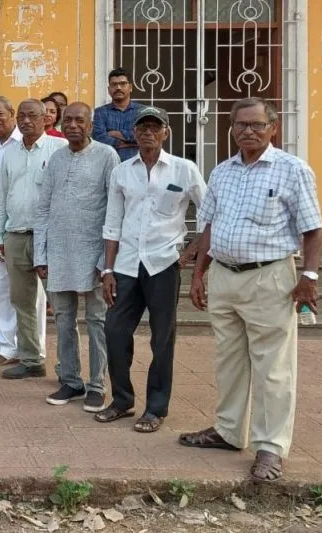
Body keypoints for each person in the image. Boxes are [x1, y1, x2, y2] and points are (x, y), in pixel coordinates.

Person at [180, 98, 322, 483]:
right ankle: (229, 431)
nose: (248, 131)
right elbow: (210, 226)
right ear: (232, 129)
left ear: (272, 128)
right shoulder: (222, 172)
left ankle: (270, 446)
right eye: (241, 125)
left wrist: (309, 277)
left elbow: (313, 229)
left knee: (273, 367)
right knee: (228, 359)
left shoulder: (293, 170)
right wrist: (199, 274)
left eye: (257, 125)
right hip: (224, 276)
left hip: (270, 277)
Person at [96, 106, 206, 433]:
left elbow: (210, 212)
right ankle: (122, 400)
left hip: (163, 263)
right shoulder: (122, 171)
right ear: (134, 132)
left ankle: (156, 408)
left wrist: (192, 252)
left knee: (162, 338)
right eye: (142, 127)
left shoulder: (184, 169)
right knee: (114, 331)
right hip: (127, 264)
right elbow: (112, 222)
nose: (148, 132)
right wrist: (107, 270)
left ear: (165, 133)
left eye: (154, 127)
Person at [34, 102, 120, 412]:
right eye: (67, 120)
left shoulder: (107, 156)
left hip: (94, 252)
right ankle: (70, 380)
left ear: (90, 125)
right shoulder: (56, 158)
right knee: (63, 318)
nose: (72, 125)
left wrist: (105, 262)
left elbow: (115, 209)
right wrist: (40, 254)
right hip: (58, 251)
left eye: (79, 120)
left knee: (97, 320)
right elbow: (43, 207)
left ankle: (97, 385)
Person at [0, 99, 66, 376]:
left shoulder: (58, 148)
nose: (25, 121)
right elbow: (1, 196)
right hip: (16, 236)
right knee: (21, 302)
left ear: (45, 118)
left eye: (32, 115)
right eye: (21, 115)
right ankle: (31, 361)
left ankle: (67, 367)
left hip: (49, 237)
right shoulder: (10, 153)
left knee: (61, 304)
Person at [0, 96, 44, 367]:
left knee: (32, 294)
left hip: (29, 231)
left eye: (0, 114)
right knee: (0, 290)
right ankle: (7, 347)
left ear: (11, 114)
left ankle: (35, 348)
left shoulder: (31, 143)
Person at [93, 68, 142, 161]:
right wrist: (129, 143)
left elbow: (142, 135)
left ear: (130, 87)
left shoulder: (141, 111)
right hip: (107, 163)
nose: (118, 87)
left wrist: (115, 133)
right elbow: (99, 138)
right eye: (114, 84)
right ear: (109, 89)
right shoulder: (99, 112)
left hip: (136, 162)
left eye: (123, 83)